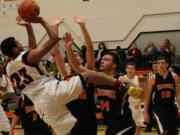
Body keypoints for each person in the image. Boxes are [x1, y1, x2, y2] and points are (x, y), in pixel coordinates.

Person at [1, 15, 142, 135]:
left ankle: (121, 84)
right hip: (53, 94)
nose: (22, 45)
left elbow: (32, 51)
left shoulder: (9, 68)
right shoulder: (66, 75)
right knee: (86, 75)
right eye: (19, 43)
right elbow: (54, 51)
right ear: (14, 48)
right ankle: (122, 85)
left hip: (44, 106)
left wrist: (29, 27)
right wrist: (45, 23)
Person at [144, 56, 180, 135]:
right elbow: (147, 96)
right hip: (158, 108)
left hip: (170, 107)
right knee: (164, 132)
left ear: (167, 64)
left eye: (163, 63)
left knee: (174, 132)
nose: (161, 65)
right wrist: (145, 112)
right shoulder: (152, 78)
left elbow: (178, 93)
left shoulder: (174, 77)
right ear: (156, 65)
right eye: (159, 63)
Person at [124, 62, 145, 135]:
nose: (130, 70)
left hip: (135, 104)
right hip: (125, 104)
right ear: (126, 69)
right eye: (128, 68)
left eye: (132, 68)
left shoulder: (139, 79)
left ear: (135, 70)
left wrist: (138, 103)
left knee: (137, 125)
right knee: (125, 126)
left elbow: (144, 94)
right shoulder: (122, 78)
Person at [0, 59, 15, 135]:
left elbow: (11, 94)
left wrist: (2, 96)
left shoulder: (6, 80)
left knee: (7, 130)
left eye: (1, 64)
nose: (0, 66)